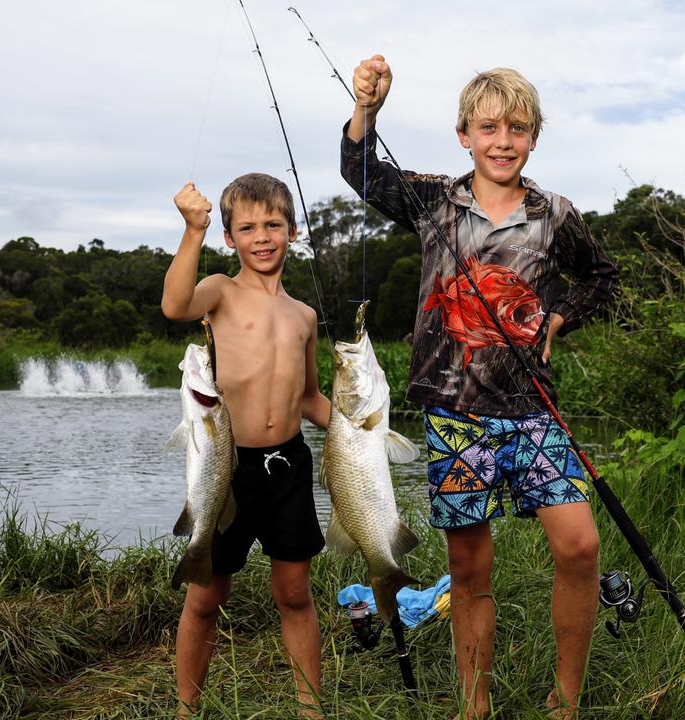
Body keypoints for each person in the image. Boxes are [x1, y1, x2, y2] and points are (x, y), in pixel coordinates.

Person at [341, 56, 619, 719]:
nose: (503, 140)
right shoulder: (435, 199)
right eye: (489, 127)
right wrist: (367, 109)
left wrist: (561, 317)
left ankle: (566, 701)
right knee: (469, 569)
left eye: (517, 128)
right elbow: (360, 172)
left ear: (533, 138)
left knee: (580, 545)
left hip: (533, 413)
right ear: (464, 134)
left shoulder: (555, 214)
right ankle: (476, 705)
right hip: (457, 417)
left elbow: (603, 278)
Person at [162, 173, 331, 718]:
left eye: (273, 225)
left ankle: (310, 708)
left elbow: (309, 397)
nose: (262, 236)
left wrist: (361, 432)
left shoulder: (304, 315)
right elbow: (175, 304)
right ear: (230, 238)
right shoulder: (220, 291)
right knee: (206, 596)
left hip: (290, 467)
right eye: (248, 227)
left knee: (295, 594)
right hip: (225, 467)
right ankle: (188, 707)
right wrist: (193, 230)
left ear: (292, 231)